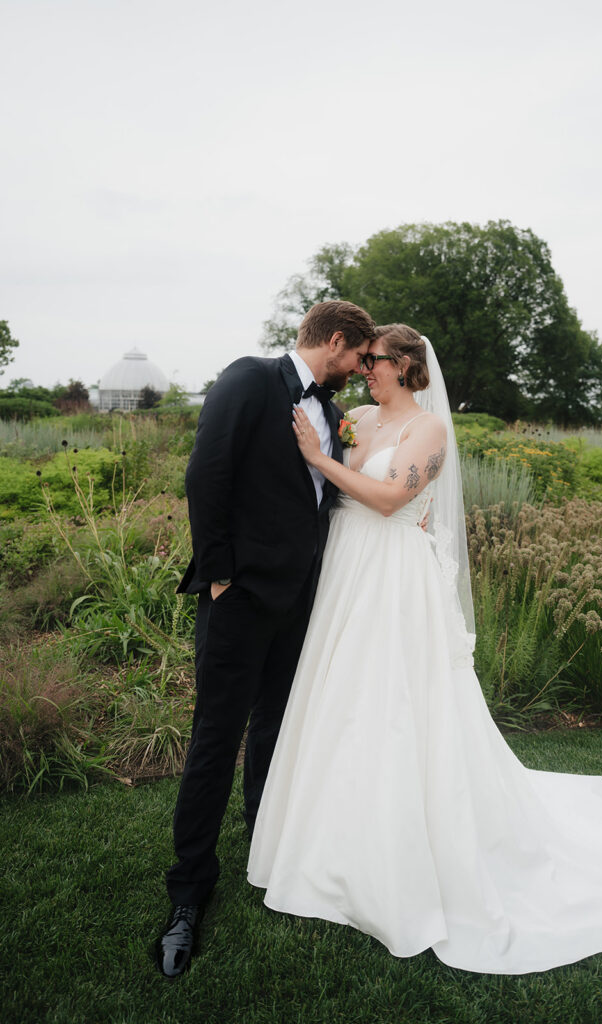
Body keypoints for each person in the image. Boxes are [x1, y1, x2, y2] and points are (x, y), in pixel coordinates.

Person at [247, 324, 602, 974]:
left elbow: (393, 498)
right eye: (364, 362)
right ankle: (327, 845)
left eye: (378, 363)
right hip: (343, 570)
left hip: (391, 576)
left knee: (393, 705)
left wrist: (320, 460)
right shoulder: (356, 418)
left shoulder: (428, 432)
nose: (366, 371)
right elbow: (323, 478)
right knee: (338, 701)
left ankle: (396, 856)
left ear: (409, 370)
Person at [156, 300, 376, 978]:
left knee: (276, 730)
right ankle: (189, 893)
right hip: (241, 596)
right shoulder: (250, 377)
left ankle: (267, 850)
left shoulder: (330, 412)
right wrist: (220, 576)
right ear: (335, 342)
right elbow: (206, 474)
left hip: (301, 598)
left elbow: (318, 494)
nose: (360, 369)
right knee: (216, 740)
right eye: (357, 357)